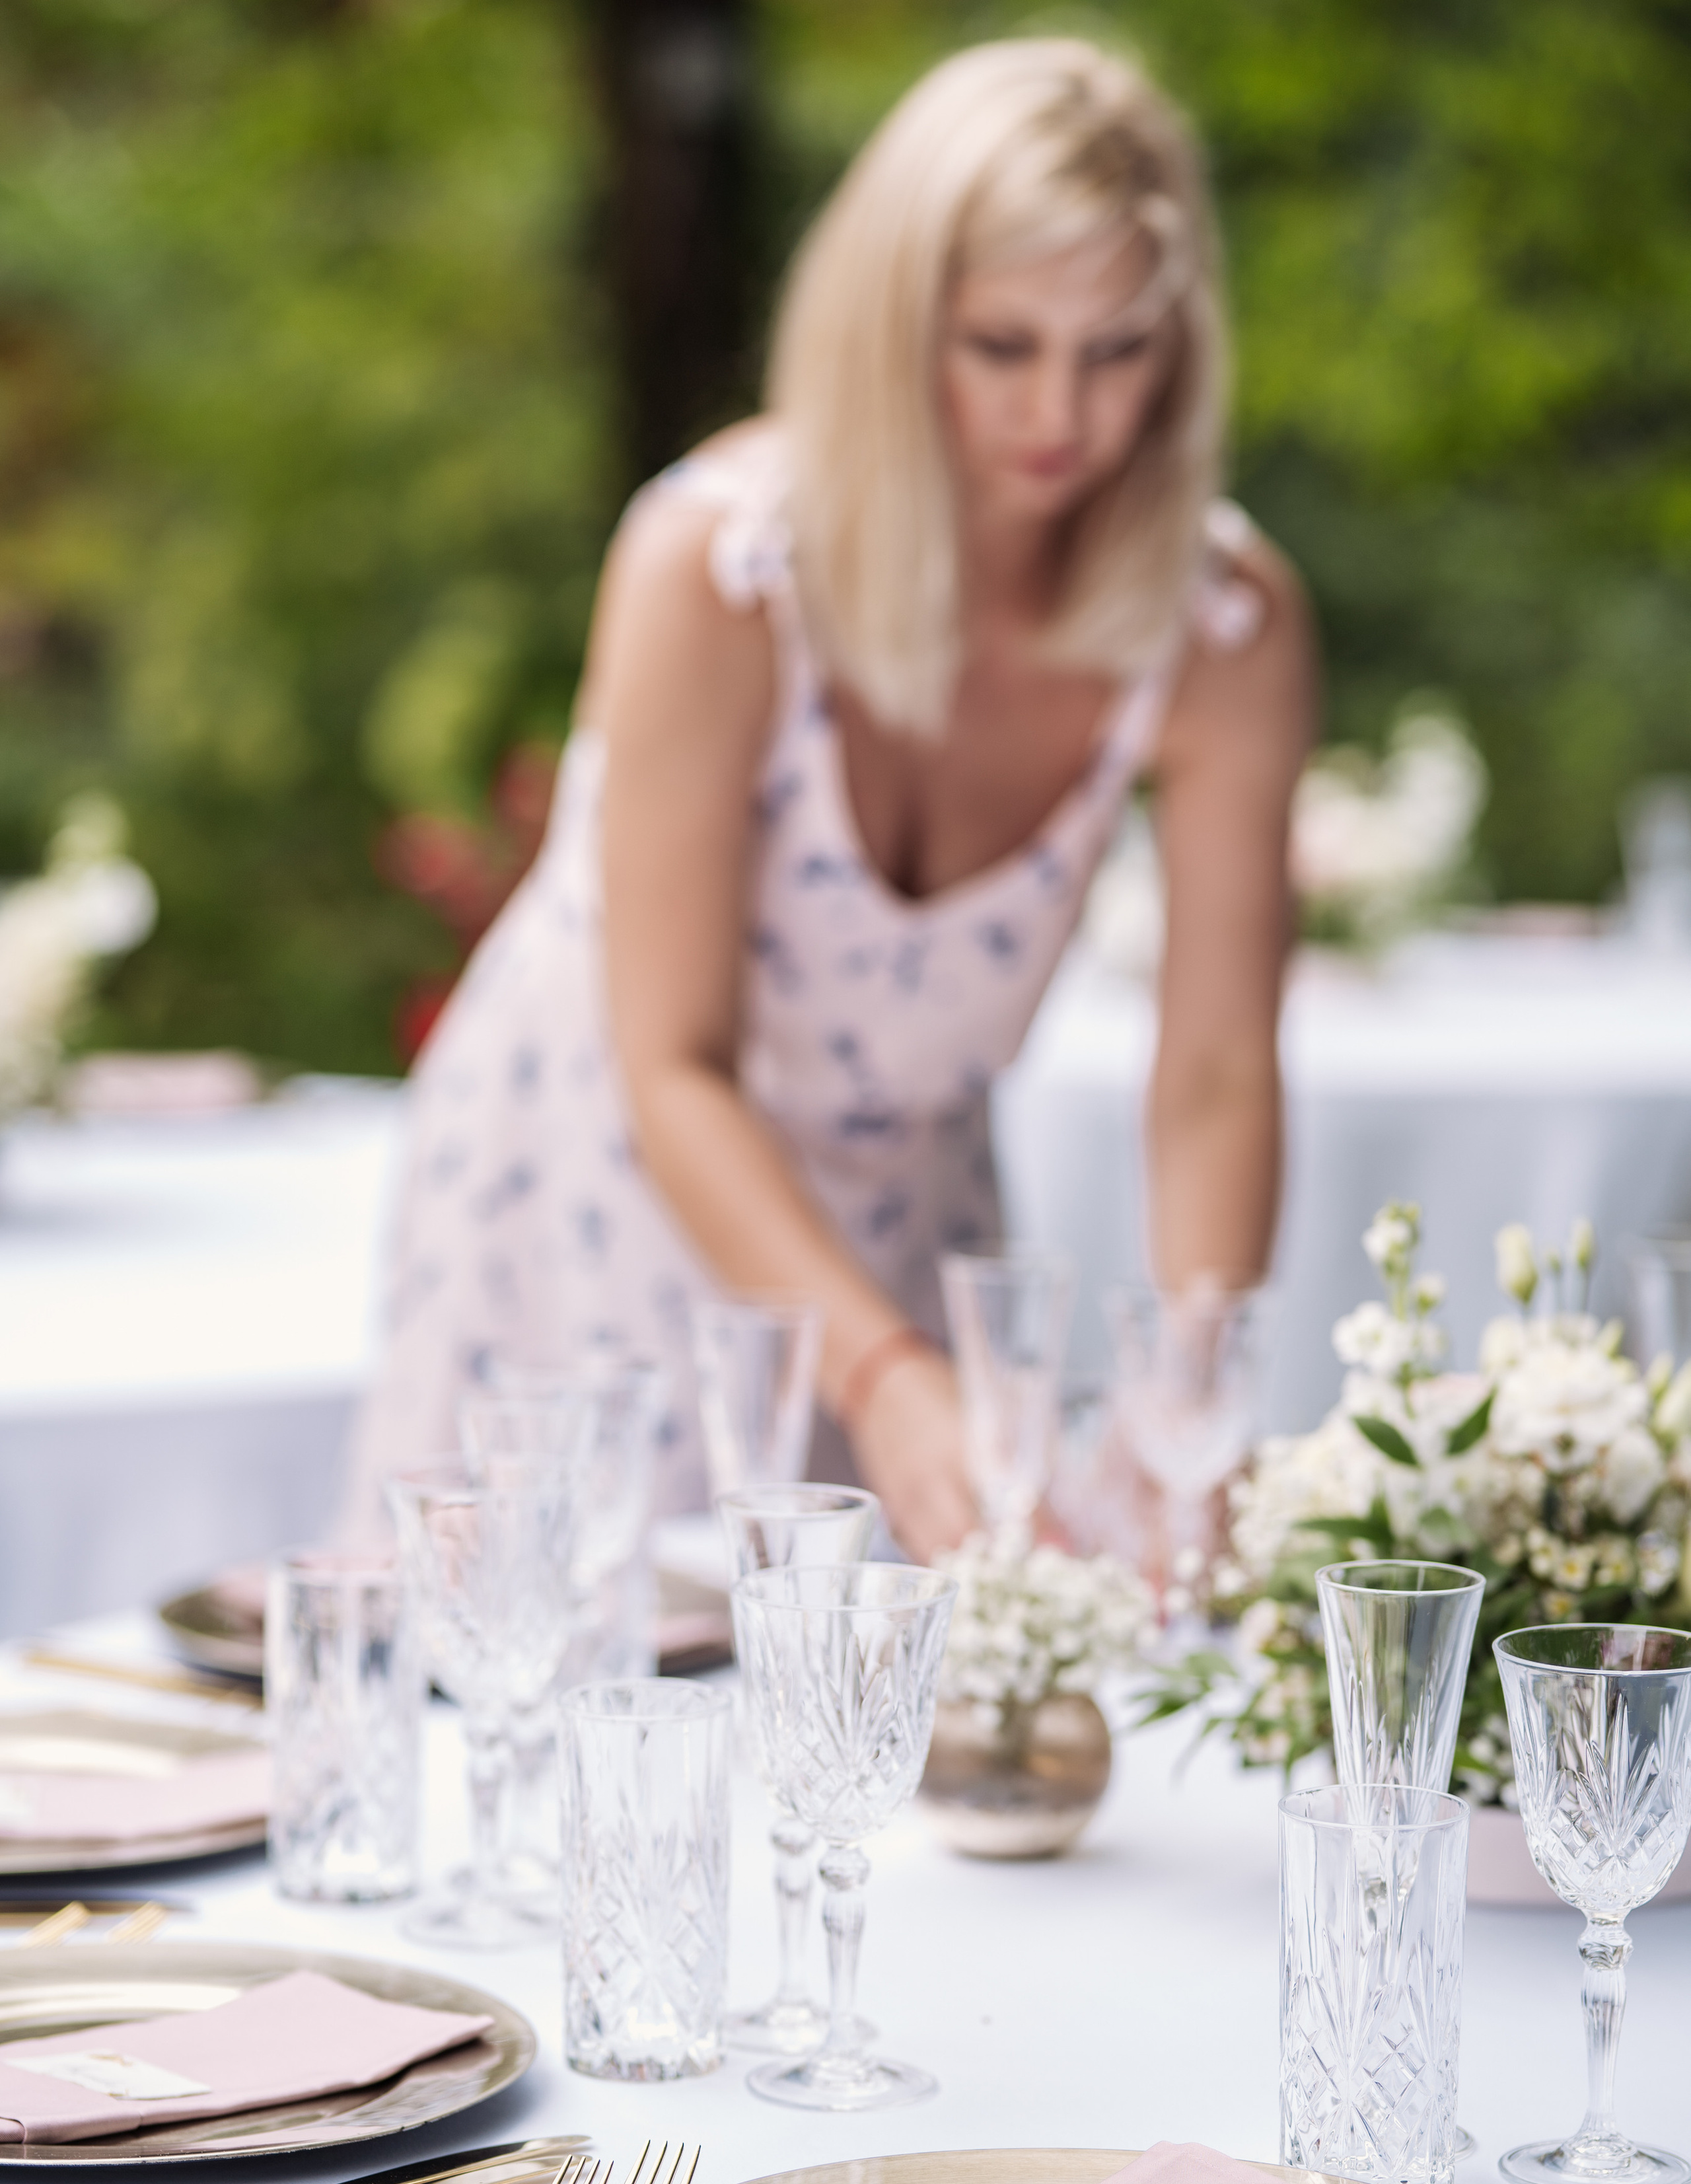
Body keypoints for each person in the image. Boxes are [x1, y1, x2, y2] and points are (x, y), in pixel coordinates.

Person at [341, 36, 1316, 1563]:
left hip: (903, 1221)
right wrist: (876, 1372)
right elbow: (670, 1064)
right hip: (595, 1196)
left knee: (897, 1702)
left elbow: (1209, 1077)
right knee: (578, 1686)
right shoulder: (720, 573)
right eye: (1001, 344)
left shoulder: (1219, 628)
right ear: (896, 321)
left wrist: (1185, 1398)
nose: (1060, 409)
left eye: (1116, 347)